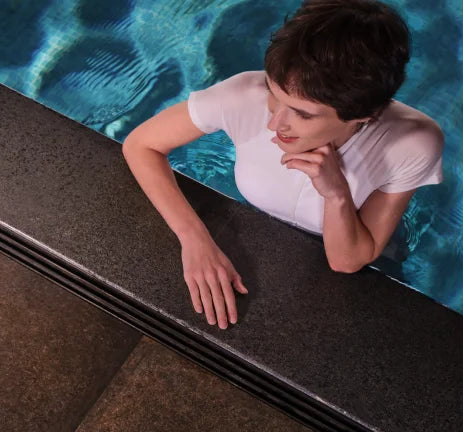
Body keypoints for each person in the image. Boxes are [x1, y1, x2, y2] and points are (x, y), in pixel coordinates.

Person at [122, 0, 444, 329]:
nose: (275, 123)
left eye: (303, 114)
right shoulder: (242, 96)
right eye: (273, 93)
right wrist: (194, 239)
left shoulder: (411, 142)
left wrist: (337, 194)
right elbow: (141, 144)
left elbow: (348, 261)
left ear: (365, 116)